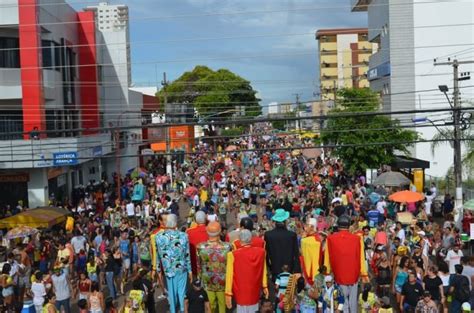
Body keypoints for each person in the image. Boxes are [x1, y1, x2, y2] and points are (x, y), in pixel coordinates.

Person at [324, 215, 368, 312]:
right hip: (354, 275)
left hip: (339, 275)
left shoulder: (330, 239)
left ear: (338, 225)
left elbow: (327, 260)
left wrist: (326, 273)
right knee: (353, 303)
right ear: (349, 226)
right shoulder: (357, 239)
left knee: (342, 302)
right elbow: (361, 257)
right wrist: (364, 273)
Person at [225, 230, 269, 313]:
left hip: (240, 291)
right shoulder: (261, 252)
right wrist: (264, 285)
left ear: (240, 240)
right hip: (255, 290)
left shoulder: (232, 254)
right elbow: (264, 270)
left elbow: (229, 275)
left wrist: (228, 293)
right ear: (251, 239)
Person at [156, 214, 192, 313]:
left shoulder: (158, 237)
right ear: (175, 223)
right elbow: (187, 255)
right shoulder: (184, 236)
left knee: (171, 293)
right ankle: (182, 309)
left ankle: (173, 310)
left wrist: (158, 270)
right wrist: (190, 271)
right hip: (182, 268)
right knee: (182, 292)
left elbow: (158, 256)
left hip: (168, 269)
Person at [196, 221, 232, 313]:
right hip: (223, 281)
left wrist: (199, 279)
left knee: (210, 305)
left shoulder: (200, 247)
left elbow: (198, 265)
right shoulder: (228, 247)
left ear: (207, 231)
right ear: (220, 231)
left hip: (207, 280)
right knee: (222, 305)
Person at [264, 209, 301, 280]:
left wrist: (269, 267)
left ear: (275, 221)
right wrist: (297, 270)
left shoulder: (268, 235)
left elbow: (266, 254)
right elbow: (296, 254)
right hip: (289, 269)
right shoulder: (292, 235)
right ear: (285, 220)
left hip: (274, 268)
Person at [300, 217, 323, 285]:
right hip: (311, 271)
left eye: (307, 225)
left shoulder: (306, 240)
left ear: (312, 227)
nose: (305, 227)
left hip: (308, 271)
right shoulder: (316, 239)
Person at [187, 211, 209, 276]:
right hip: (208, 263)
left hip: (194, 264)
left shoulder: (189, 232)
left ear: (195, 220)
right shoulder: (210, 230)